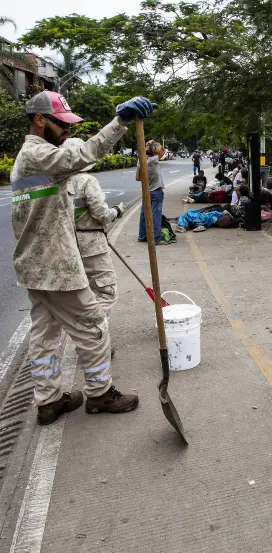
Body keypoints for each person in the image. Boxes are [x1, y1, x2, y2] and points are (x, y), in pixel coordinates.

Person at [10, 90, 151, 425]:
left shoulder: (29, 157)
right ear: (40, 120)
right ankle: (100, 393)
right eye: (62, 125)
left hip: (34, 265)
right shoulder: (37, 154)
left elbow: (77, 162)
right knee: (95, 327)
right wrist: (120, 122)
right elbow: (85, 155)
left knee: (44, 336)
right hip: (56, 266)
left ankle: (49, 401)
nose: (67, 131)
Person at [62, 138, 124, 322]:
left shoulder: (59, 181)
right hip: (91, 245)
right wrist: (116, 211)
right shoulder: (86, 181)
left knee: (83, 294)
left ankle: (87, 338)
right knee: (106, 292)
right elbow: (101, 215)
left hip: (67, 244)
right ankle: (95, 338)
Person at [137, 140, 167, 245]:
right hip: (156, 191)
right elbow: (163, 151)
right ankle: (155, 239)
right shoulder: (154, 159)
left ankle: (142, 236)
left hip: (146, 191)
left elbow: (138, 177)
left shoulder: (140, 161)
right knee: (155, 215)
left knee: (144, 214)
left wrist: (147, 177)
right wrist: (155, 143)